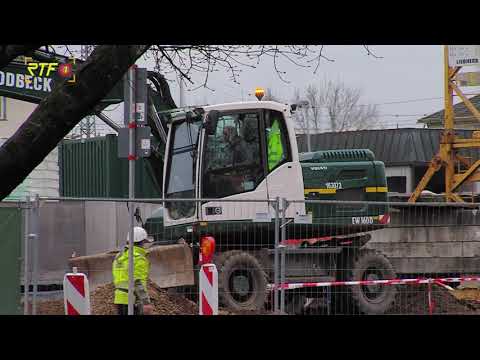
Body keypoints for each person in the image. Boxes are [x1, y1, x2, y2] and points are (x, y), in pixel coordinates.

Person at [112, 226, 155, 315]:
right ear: (142, 242)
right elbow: (137, 281)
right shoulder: (139, 259)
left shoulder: (119, 257)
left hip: (119, 299)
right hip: (132, 299)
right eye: (145, 242)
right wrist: (146, 302)